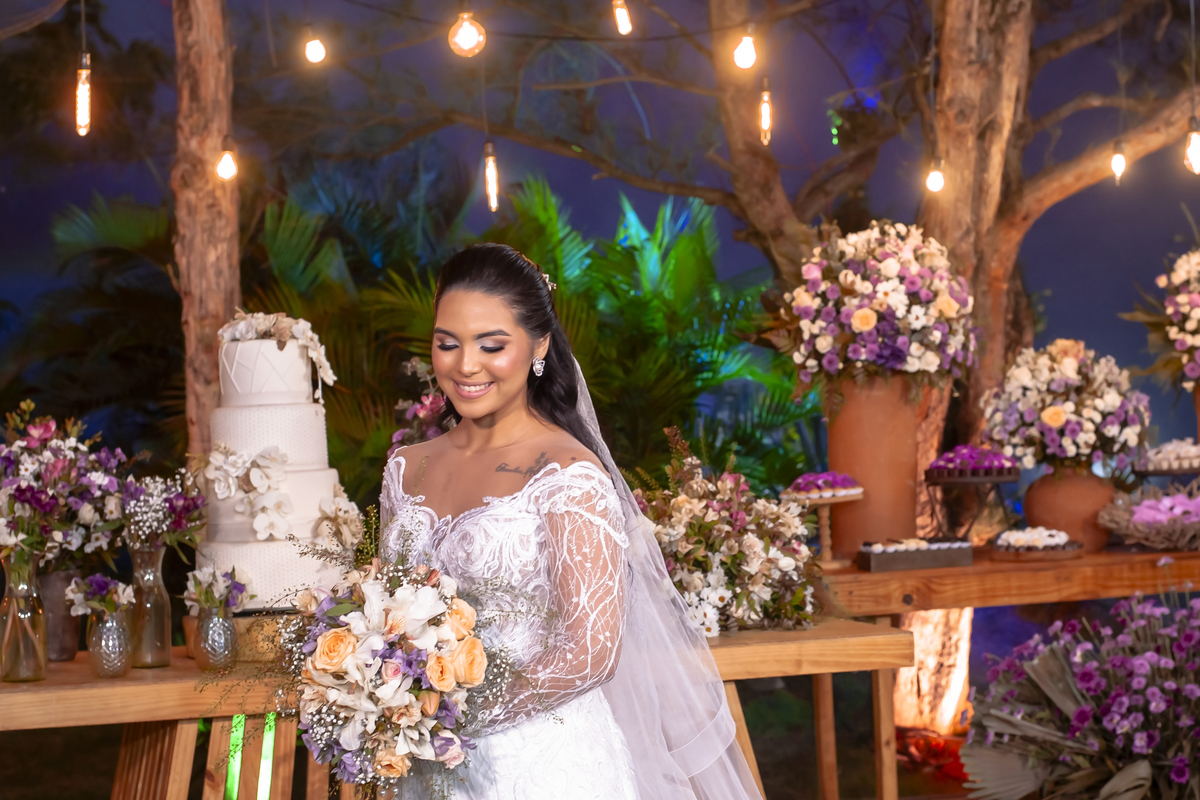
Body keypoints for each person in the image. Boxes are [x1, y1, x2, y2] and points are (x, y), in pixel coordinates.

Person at [380, 243, 761, 800]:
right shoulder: (405, 468)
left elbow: (592, 651)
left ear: (538, 345)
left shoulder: (567, 473)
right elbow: (389, 611)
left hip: (542, 768)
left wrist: (456, 716)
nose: (465, 365)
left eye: (492, 345)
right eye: (447, 343)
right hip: (425, 768)